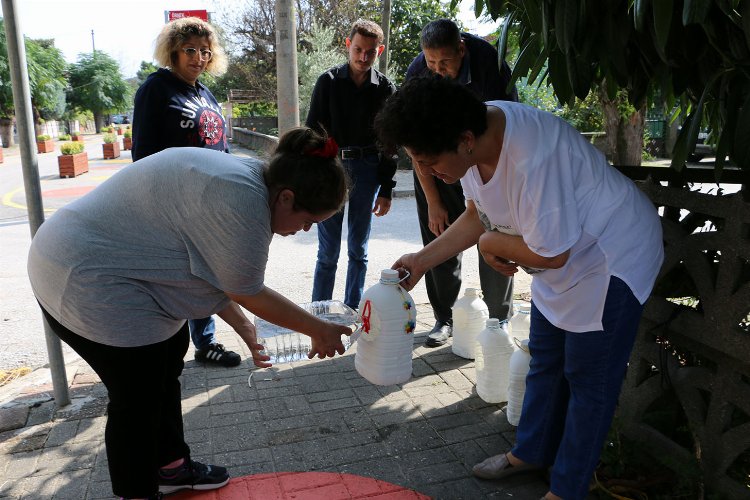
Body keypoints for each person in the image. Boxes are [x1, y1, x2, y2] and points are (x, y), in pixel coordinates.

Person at [374, 77, 664, 500]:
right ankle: (530, 453)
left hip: (610, 256)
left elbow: (552, 254)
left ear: (465, 141)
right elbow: (479, 214)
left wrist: (492, 243)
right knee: (545, 359)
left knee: (588, 380)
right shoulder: (474, 131)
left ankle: (566, 489)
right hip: (562, 252)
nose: (427, 173)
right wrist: (422, 260)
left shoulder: (534, 157)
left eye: (430, 162)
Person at [27, 128, 352, 500]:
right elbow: (246, 290)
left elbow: (219, 274)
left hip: (99, 265)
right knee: (137, 396)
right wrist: (318, 329)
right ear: (287, 197)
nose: (305, 230)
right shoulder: (243, 204)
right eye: (309, 221)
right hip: (81, 275)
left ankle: (170, 468)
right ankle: (137, 493)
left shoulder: (251, 182)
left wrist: (247, 331)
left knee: (167, 360)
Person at [132, 16, 238, 367]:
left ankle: (205, 342)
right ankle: (173, 344)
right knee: (181, 274)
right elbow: (143, 152)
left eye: (205, 52)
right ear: (173, 53)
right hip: (173, 202)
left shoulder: (204, 92)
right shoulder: (156, 88)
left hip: (209, 200)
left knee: (205, 271)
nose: (198, 58)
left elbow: (219, 144)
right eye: (189, 50)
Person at [405, 19, 518, 347]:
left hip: (484, 161)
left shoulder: (489, 65)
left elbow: (507, 126)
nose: (437, 70)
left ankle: (498, 320)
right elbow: (415, 147)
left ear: (462, 49)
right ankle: (445, 317)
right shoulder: (418, 73)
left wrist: (495, 188)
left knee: (496, 236)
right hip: (436, 165)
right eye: (431, 62)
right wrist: (433, 201)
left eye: (445, 62)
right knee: (439, 233)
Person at [306, 19, 397, 312]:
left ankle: (352, 311)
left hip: (368, 170)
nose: (362, 57)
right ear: (348, 45)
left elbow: (390, 143)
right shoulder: (328, 82)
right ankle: (319, 312)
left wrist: (387, 188)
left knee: (358, 249)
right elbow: (312, 133)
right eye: (358, 49)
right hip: (331, 170)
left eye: (370, 52)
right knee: (328, 251)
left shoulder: (385, 88)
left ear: (379, 51)